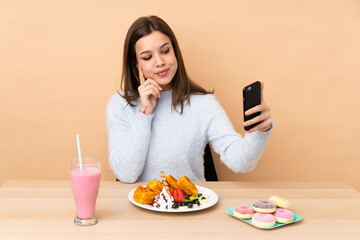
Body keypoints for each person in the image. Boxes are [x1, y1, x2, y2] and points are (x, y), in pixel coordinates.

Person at [106, 15, 273, 183]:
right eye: (147, 57)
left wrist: (259, 131)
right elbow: (125, 175)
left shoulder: (204, 104)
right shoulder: (120, 105)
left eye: (165, 51)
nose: (160, 62)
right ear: (136, 65)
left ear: (175, 51)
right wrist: (144, 114)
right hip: (140, 207)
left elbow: (241, 162)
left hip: (190, 206)